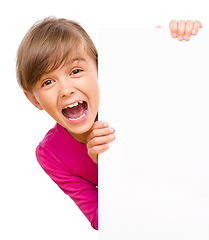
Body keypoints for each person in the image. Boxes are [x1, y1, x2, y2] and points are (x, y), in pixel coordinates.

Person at [16, 17, 202, 230]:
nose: (66, 89)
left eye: (75, 71)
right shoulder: (50, 154)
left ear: (99, 69)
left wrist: (183, 44)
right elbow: (102, 219)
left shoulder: (132, 93)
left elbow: (185, 115)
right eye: (48, 82)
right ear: (33, 100)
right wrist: (109, 166)